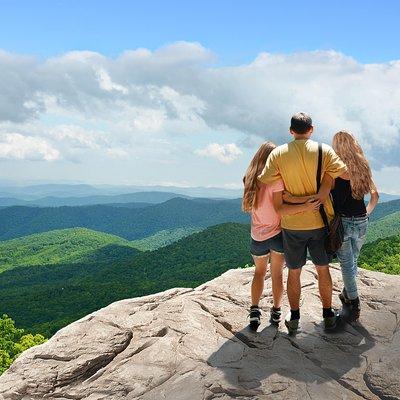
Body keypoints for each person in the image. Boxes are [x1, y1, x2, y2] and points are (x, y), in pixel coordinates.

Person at [258, 112, 348, 334]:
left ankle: (295, 317)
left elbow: (265, 179)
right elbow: (345, 174)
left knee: (295, 271)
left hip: (292, 224)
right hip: (320, 222)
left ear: (291, 131)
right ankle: (328, 315)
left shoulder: (278, 154)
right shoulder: (323, 150)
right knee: (323, 268)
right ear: (311, 130)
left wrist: (289, 194)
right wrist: (326, 178)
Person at [242, 141, 321, 331]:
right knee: (277, 274)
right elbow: (286, 202)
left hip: (257, 236)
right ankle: (276, 311)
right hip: (277, 234)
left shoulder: (249, 179)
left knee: (259, 273)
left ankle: (254, 311)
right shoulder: (276, 180)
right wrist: (309, 201)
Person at [331, 131, 379, 321]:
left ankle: (354, 302)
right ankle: (346, 294)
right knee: (353, 262)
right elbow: (375, 196)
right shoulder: (363, 167)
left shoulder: (335, 169)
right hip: (361, 221)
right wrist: (366, 213)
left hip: (343, 222)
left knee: (346, 265)